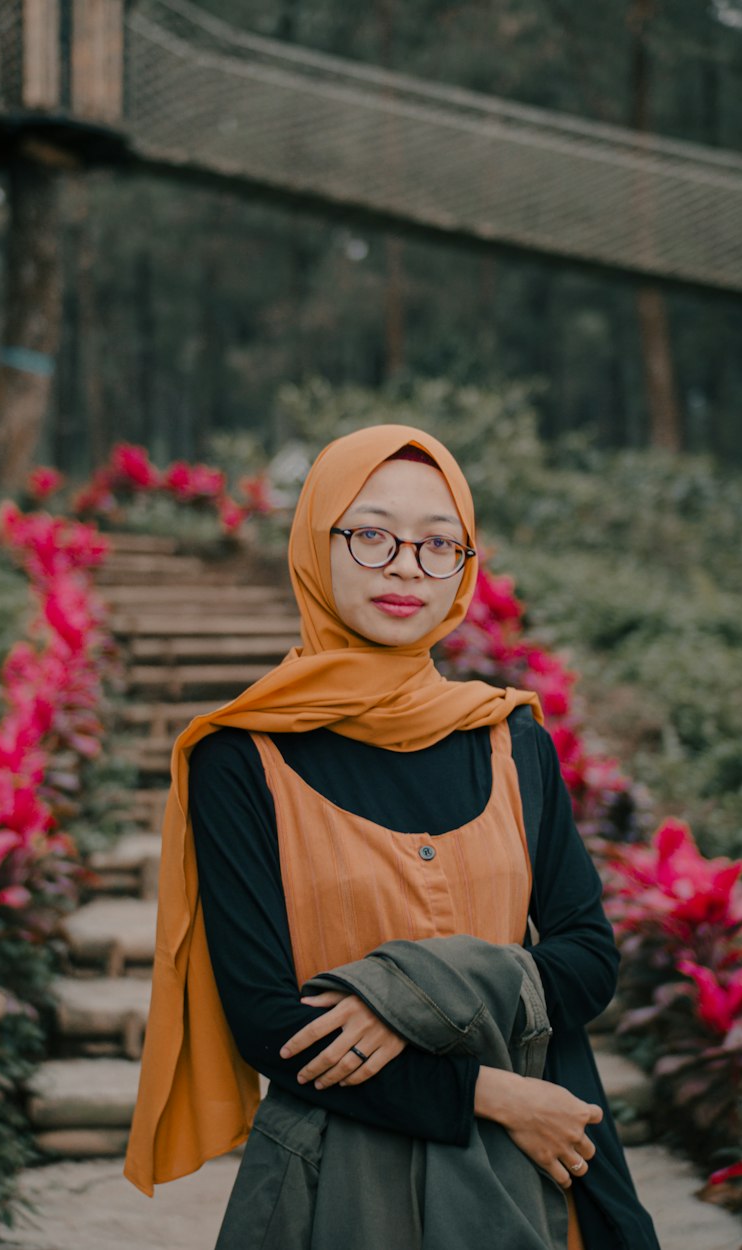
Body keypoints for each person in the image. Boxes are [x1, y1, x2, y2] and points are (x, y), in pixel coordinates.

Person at [124, 424, 661, 1250]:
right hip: (350, 1176)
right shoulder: (241, 757)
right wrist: (490, 1093)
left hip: (545, 1167)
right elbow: (270, 1023)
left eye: (439, 543)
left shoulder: (508, 738)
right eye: (371, 534)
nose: (407, 564)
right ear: (316, 542)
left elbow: (589, 958)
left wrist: (400, 1005)